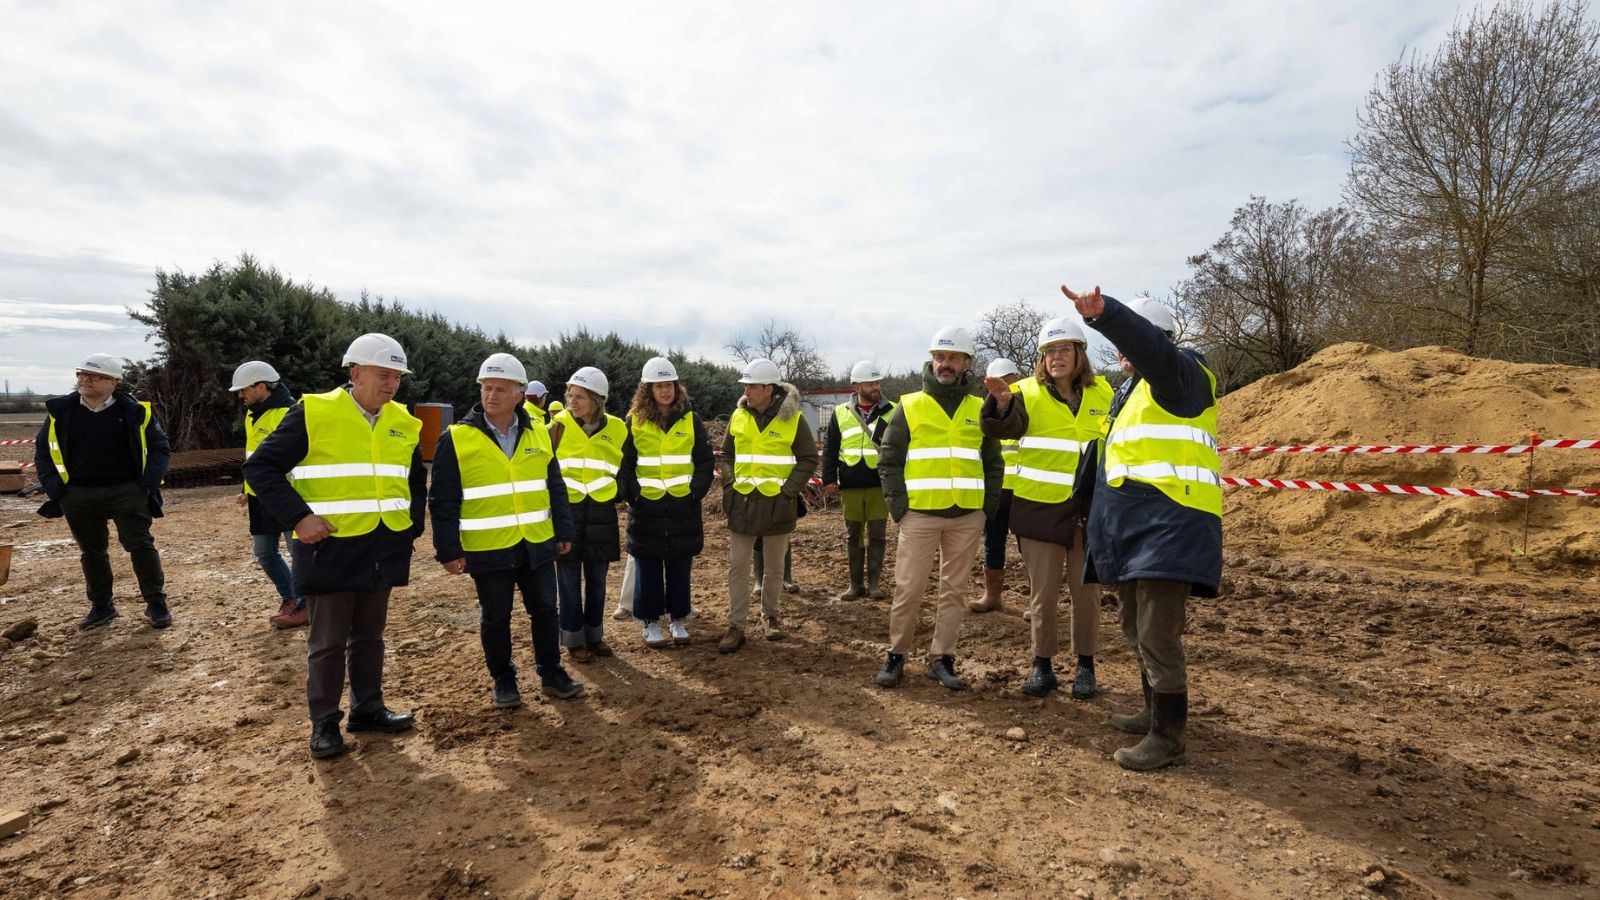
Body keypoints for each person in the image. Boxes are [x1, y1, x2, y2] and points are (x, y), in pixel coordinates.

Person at [244, 332, 427, 760]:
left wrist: (410, 527)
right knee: (327, 642)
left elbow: (414, 480)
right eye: (383, 375)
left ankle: (368, 709)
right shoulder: (314, 412)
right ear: (355, 372)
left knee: (370, 636)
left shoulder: (404, 420)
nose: (391, 384)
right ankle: (325, 724)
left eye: (397, 377)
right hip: (330, 547)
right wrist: (299, 518)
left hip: (383, 545)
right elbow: (261, 468)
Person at [1064, 285, 1222, 771]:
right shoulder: (1134, 392)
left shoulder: (1180, 374)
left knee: (1157, 632)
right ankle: (1153, 710)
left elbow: (1154, 351)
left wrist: (1107, 314)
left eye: (1130, 342)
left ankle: (1168, 737)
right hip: (1142, 530)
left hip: (1170, 525)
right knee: (1135, 623)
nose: (1121, 353)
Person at [429, 353, 584, 708]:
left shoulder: (539, 435)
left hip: (536, 543)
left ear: (519, 394)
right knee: (496, 616)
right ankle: (504, 680)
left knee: (546, 609)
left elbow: (554, 486)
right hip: (489, 547)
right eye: (487, 388)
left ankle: (551, 673)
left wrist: (563, 529)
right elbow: (442, 500)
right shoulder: (457, 438)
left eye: (501, 389)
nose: (492, 395)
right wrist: (449, 550)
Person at [980, 319, 1113, 699]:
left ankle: (1085, 665)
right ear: (1042, 357)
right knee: (1043, 593)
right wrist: (1002, 404)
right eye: (1050, 351)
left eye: (1064, 350)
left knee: (1086, 591)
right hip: (1040, 510)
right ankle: (1042, 664)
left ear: (1079, 355)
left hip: (1090, 510)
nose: (1056, 357)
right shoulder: (1024, 393)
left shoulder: (1104, 392)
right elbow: (1003, 426)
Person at [874, 328, 1003, 690]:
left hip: (966, 515)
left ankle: (941, 658)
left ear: (966, 364)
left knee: (954, 591)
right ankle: (896, 655)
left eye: (953, 358)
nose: (945, 364)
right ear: (932, 360)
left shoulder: (980, 408)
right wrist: (900, 508)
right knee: (909, 589)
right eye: (940, 357)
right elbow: (889, 461)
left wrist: (985, 508)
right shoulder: (909, 405)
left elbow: (993, 462)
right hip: (920, 515)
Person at [33, 353, 172, 630]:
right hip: (79, 495)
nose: (84, 379)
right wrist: (58, 491)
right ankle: (102, 607)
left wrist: (146, 484)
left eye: (93, 375)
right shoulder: (61, 413)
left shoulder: (135, 412)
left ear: (113, 382)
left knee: (141, 546)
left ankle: (156, 604)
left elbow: (160, 448)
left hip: (127, 491)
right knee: (92, 552)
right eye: (81, 374)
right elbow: (43, 454)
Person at [717, 358, 819, 652]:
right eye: (746, 386)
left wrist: (788, 491)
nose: (747, 391)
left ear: (769, 389)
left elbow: (809, 459)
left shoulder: (793, 420)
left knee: (774, 569)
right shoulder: (738, 417)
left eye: (752, 386)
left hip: (777, 506)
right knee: (737, 568)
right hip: (742, 504)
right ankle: (736, 626)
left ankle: (771, 618)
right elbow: (726, 455)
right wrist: (729, 484)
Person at [617, 356, 715, 647]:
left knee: (679, 565)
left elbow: (704, 460)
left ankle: (678, 618)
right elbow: (625, 464)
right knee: (647, 566)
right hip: (647, 507)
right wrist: (633, 493)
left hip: (682, 506)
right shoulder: (633, 421)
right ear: (647, 390)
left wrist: (696, 490)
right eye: (658, 386)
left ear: (676, 386)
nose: (665, 391)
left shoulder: (690, 419)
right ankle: (649, 622)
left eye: (669, 384)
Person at [552, 367, 625, 660]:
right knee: (568, 582)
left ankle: (594, 636)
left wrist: (619, 491)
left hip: (601, 515)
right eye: (571, 395)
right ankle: (573, 640)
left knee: (597, 581)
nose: (573, 401)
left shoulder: (619, 429)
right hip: (567, 514)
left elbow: (628, 465)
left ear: (597, 399)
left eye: (580, 396)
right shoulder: (556, 427)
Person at [231, 360, 306, 629]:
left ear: (261, 386)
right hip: (260, 496)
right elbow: (257, 457)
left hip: (287, 496)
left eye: (244, 390)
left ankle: (304, 606)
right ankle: (291, 597)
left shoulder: (290, 412)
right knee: (264, 552)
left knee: (299, 554)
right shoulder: (254, 414)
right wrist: (245, 487)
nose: (241, 395)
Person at [820, 361, 895, 601]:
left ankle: (874, 584)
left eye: (877, 382)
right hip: (851, 483)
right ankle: (855, 585)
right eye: (870, 383)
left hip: (879, 483)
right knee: (853, 535)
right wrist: (829, 478)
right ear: (857, 386)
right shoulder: (841, 412)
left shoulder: (893, 410)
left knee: (878, 535)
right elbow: (830, 447)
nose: (876, 387)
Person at [970, 357, 1022, 613]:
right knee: (993, 541)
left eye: (1008, 380)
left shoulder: (1029, 404)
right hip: (998, 488)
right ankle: (992, 596)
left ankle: (1038, 602)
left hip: (1025, 487)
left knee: (1030, 546)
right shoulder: (985, 410)